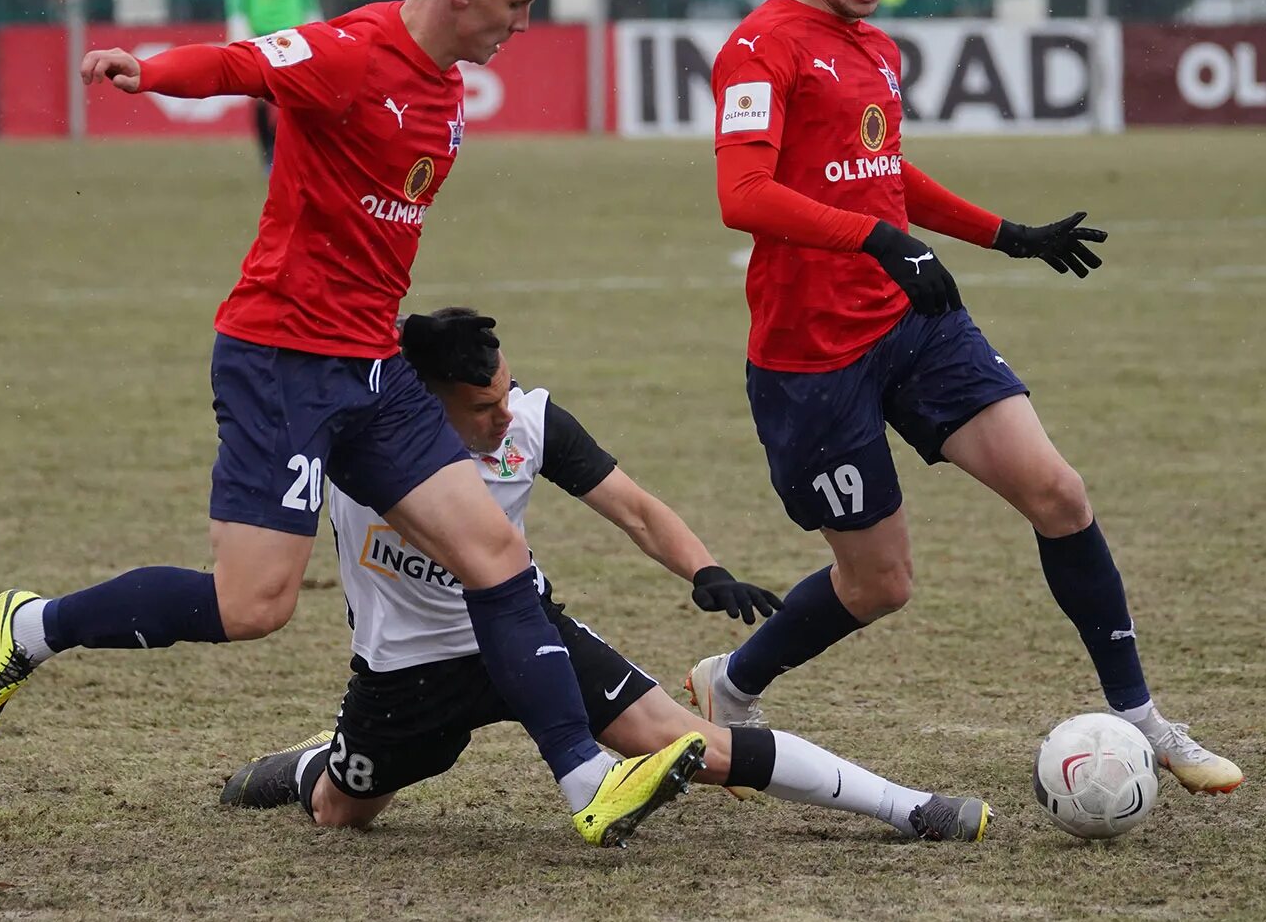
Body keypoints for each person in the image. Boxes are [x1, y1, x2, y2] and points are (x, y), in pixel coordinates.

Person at [0, 0, 705, 850]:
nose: (527, 23)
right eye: (519, 5)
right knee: (252, 605)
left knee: (496, 556)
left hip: (372, 365)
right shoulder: (353, 52)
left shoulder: (445, 86)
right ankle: (30, 626)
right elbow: (239, 63)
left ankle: (588, 781)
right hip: (279, 360)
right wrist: (146, 70)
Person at [687, 0, 1242, 796]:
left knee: (1059, 492)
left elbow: (882, 174)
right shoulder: (760, 46)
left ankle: (1141, 717)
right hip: (810, 359)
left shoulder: (877, 47)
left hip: (913, 326)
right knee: (879, 584)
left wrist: (1008, 235)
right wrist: (877, 240)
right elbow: (744, 195)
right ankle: (732, 682)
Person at [221, 311, 993, 844]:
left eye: (508, 391)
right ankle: (318, 760)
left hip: (528, 633)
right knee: (340, 814)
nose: (505, 413)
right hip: (406, 672)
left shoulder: (530, 423)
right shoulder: (360, 434)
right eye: (483, 405)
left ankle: (911, 808)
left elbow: (632, 508)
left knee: (696, 742)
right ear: (427, 400)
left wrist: (706, 568)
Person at [224, 0, 318, 172]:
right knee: (261, 95)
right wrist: (237, 18)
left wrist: (312, 13)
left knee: (297, 92)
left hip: (292, 23)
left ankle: (293, 151)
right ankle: (268, 153)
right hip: (258, 24)